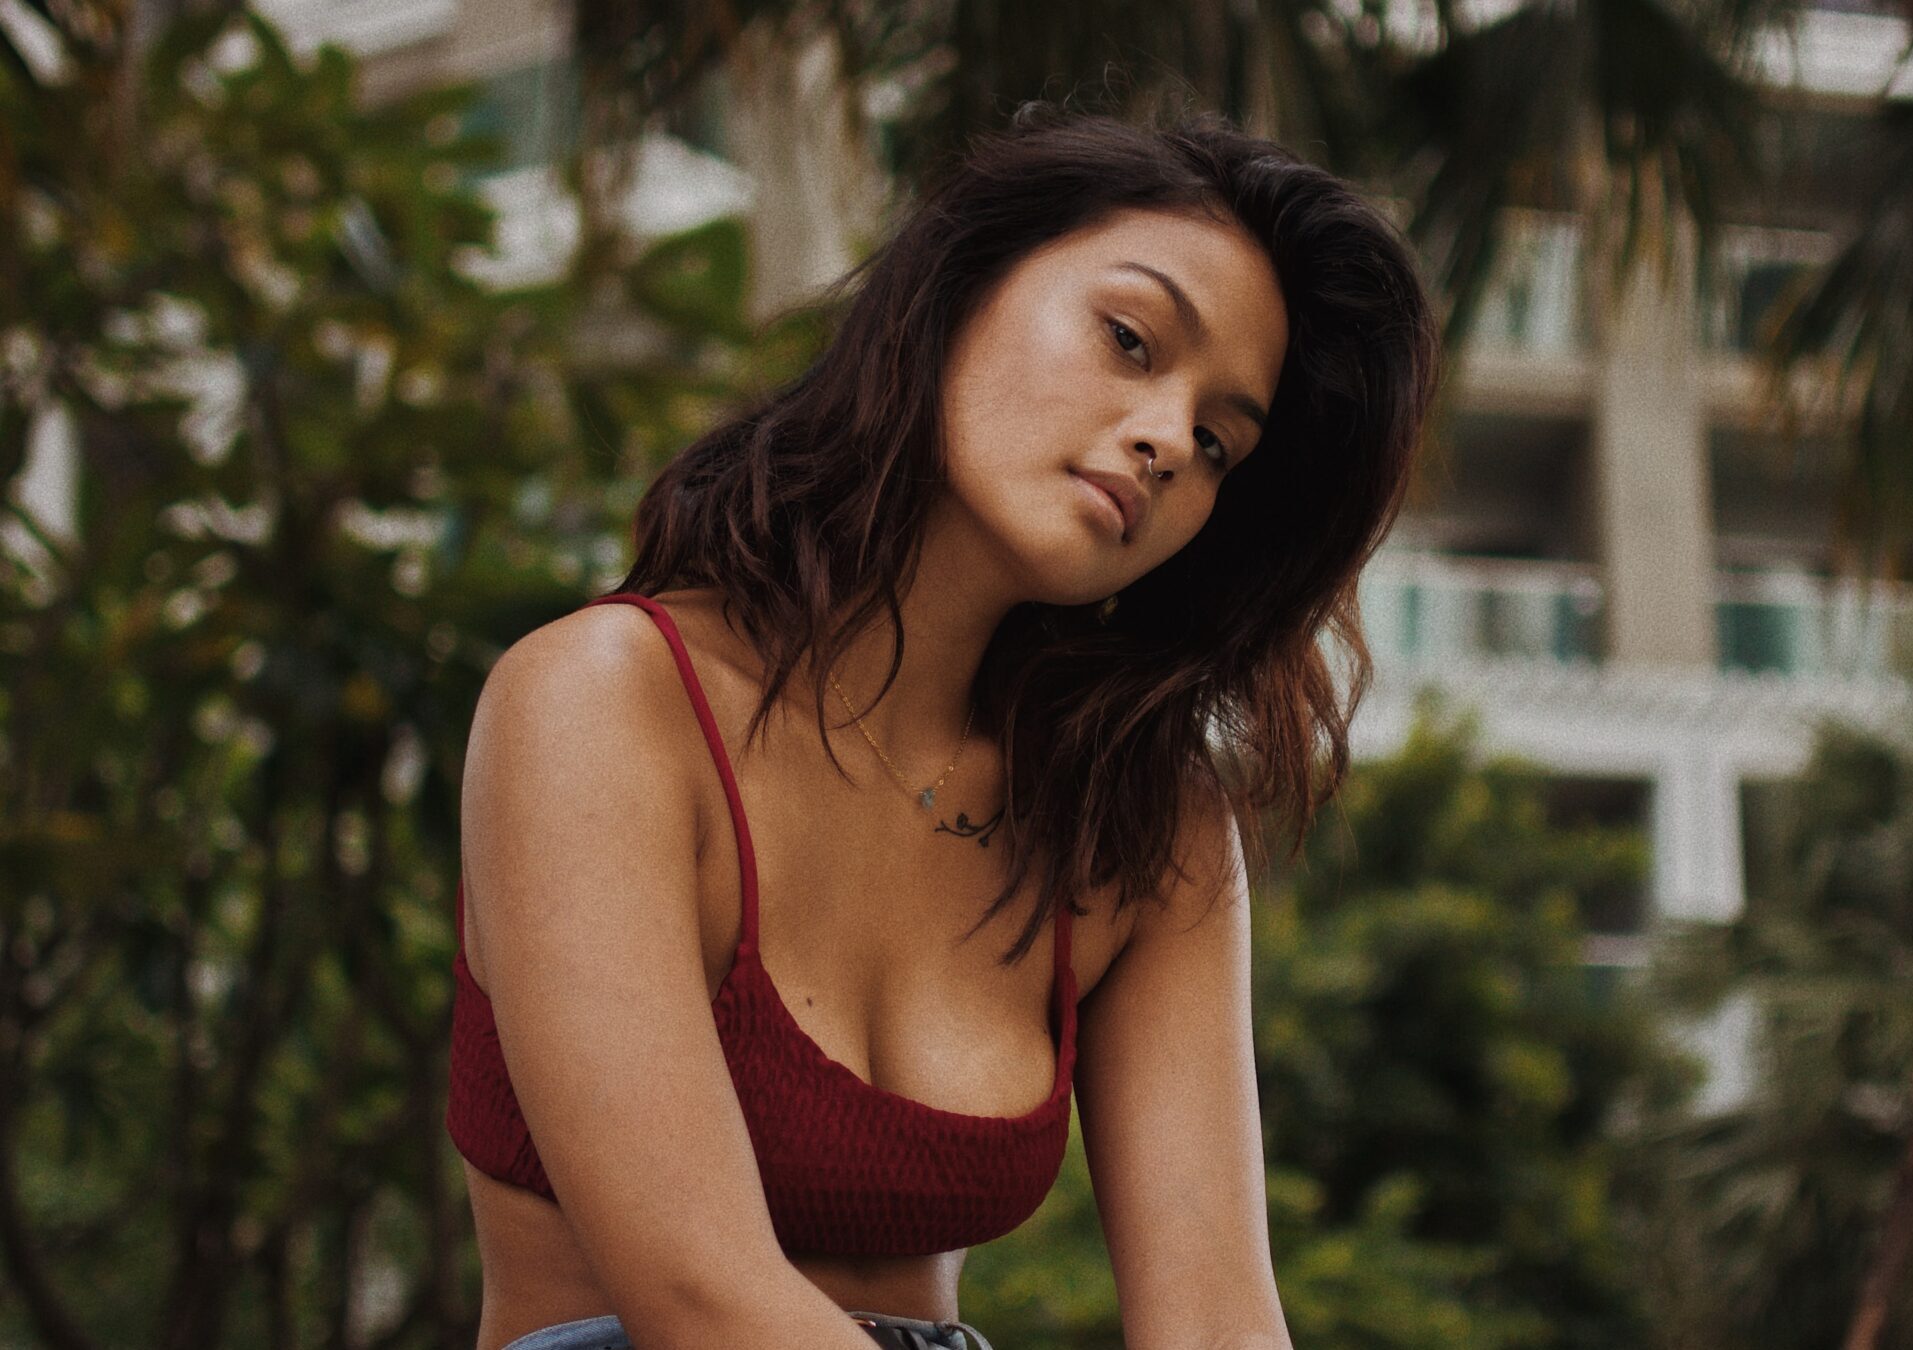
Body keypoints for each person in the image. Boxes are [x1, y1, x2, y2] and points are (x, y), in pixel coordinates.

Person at [445, 103, 1440, 1350]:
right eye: (1129, 340)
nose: (1161, 442)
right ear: (959, 286)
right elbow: (697, 1300)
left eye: (1214, 442)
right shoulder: (607, 702)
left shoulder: (1142, 829)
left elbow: (1219, 1325)